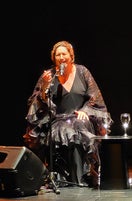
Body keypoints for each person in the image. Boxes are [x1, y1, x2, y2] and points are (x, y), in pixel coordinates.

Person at [23, 40, 113, 188]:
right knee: (64, 129)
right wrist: (45, 86)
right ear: (54, 58)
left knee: (77, 126)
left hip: (81, 117)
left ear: (71, 56)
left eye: (64, 54)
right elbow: (37, 104)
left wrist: (85, 111)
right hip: (58, 120)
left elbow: (95, 97)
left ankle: (83, 176)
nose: (61, 57)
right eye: (57, 54)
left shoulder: (82, 72)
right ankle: (67, 177)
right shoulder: (49, 76)